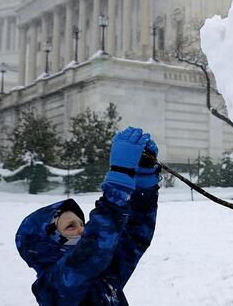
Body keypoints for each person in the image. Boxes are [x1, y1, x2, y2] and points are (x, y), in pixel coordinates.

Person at [16, 127, 161, 305]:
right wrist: (118, 181)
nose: (82, 229)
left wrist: (144, 187)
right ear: (49, 242)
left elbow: (134, 237)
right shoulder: (52, 288)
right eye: (70, 227)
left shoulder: (102, 270)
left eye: (81, 223)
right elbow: (90, 252)